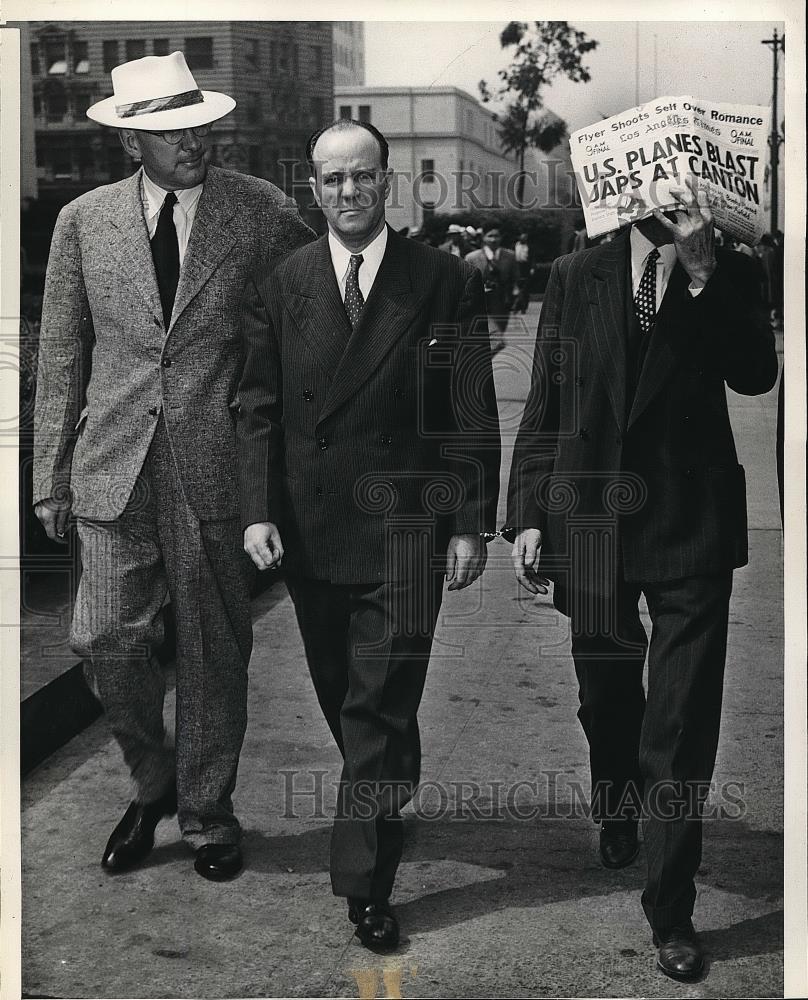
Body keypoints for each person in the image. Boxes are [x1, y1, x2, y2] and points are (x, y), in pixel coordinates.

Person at [33, 51, 313, 881]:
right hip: (112, 464)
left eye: (198, 123)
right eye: (170, 130)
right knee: (101, 636)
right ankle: (152, 783)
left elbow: (316, 299)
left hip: (217, 467)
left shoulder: (260, 212)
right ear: (132, 143)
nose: (193, 140)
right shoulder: (82, 222)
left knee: (213, 648)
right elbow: (58, 357)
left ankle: (206, 811)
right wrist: (49, 475)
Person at [236, 119, 500, 949]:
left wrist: (468, 524)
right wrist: (256, 509)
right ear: (314, 189)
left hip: (407, 531)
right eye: (332, 180)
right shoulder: (282, 284)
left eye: (363, 178)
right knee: (350, 703)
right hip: (313, 536)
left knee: (376, 706)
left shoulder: (441, 280)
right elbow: (256, 410)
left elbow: (467, 405)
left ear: (388, 183)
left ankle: (363, 884)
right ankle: (391, 790)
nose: (349, 194)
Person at [506, 178, 777, 981]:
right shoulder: (574, 275)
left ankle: (672, 907)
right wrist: (526, 512)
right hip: (590, 520)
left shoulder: (732, 268)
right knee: (609, 697)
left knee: (681, 720)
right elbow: (546, 402)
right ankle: (616, 798)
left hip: (691, 521)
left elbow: (755, 374)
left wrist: (703, 274)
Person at [465, 225, 518, 352]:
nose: (494, 239)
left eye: (496, 236)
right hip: (479, 303)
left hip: (502, 303)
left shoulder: (510, 256)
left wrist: (517, 296)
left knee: (494, 339)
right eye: (490, 236)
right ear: (483, 238)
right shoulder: (472, 257)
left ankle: (479, 363)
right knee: (496, 340)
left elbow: (516, 279)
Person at [513, 231, 533, 314]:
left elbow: (532, 258)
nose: (524, 239)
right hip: (516, 266)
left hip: (525, 267)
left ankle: (523, 307)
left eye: (525, 237)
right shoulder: (515, 246)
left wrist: (532, 268)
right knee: (516, 287)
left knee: (525, 289)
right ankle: (517, 306)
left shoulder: (529, 247)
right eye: (522, 237)